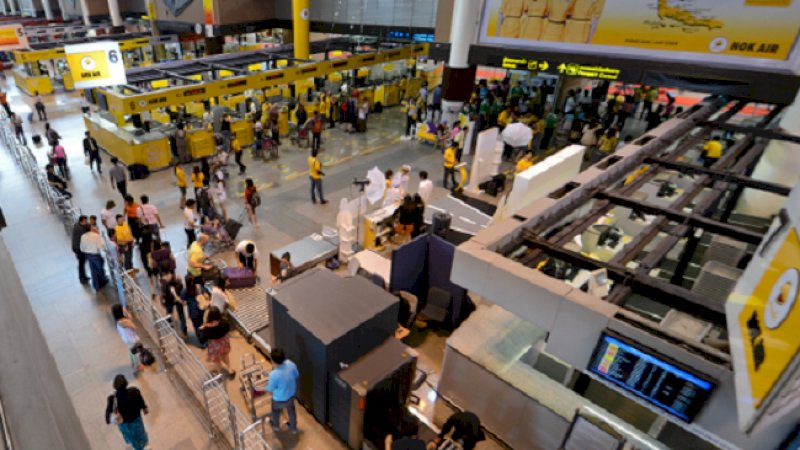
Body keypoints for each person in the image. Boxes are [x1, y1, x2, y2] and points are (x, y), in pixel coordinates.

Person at [105, 374, 149, 450]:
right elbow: (141, 401)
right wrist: (144, 408)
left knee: (130, 438)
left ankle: (134, 448)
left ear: (115, 385)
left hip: (124, 424)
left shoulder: (113, 399)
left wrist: (108, 420)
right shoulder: (134, 391)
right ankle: (144, 447)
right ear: (126, 383)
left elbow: (108, 412)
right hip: (137, 420)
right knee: (140, 435)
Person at [267, 348, 299, 434]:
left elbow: (270, 390)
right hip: (291, 396)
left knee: (275, 411)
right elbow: (296, 375)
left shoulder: (273, 374)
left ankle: (276, 426)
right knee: (291, 412)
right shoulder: (291, 364)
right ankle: (293, 428)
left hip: (278, 399)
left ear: (273, 361)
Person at [200, 306, 235, 378]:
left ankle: (219, 372)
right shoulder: (224, 323)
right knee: (225, 356)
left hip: (214, 346)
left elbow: (202, 339)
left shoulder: (207, 328)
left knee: (217, 360)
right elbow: (228, 329)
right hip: (224, 343)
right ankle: (229, 369)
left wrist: (202, 328)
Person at [111, 305, 142, 373]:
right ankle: (137, 367)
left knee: (131, 351)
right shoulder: (124, 321)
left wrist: (125, 311)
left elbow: (130, 319)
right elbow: (134, 327)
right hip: (132, 339)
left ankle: (133, 363)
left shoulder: (118, 321)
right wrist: (126, 312)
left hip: (127, 339)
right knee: (134, 353)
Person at [80, 223, 109, 290]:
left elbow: (82, 248)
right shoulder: (95, 235)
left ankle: (96, 285)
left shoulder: (83, 236)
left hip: (88, 255)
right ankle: (103, 280)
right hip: (95, 255)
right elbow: (100, 246)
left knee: (93, 270)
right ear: (90, 228)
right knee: (100, 268)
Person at [161, 271, 188, 337]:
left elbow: (163, 293)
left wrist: (162, 301)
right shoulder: (176, 278)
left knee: (169, 314)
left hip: (169, 300)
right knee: (181, 315)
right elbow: (181, 287)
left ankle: (171, 328)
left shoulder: (163, 281)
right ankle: (184, 330)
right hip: (178, 299)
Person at [71, 215, 90, 285]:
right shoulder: (79, 229)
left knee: (82, 263)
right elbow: (86, 235)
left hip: (80, 247)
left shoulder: (79, 224)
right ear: (82, 221)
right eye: (85, 221)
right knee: (81, 263)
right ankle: (82, 277)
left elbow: (87, 225)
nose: (87, 222)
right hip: (78, 249)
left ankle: (84, 276)